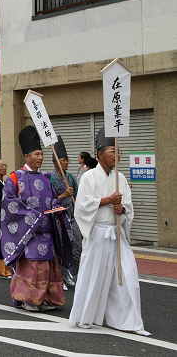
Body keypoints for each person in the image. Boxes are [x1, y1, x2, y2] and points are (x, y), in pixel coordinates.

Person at [69, 127, 150, 336]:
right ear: (100, 154)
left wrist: (121, 209)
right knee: (93, 276)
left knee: (127, 277)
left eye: (118, 151)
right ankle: (84, 317)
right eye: (112, 150)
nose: (117, 155)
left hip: (117, 233)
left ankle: (129, 322)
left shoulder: (120, 178)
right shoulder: (88, 177)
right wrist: (107, 201)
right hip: (97, 233)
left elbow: (128, 206)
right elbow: (82, 207)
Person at [0, 126, 74, 312]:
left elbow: (51, 201)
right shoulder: (15, 178)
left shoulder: (47, 177)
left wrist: (59, 204)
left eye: (41, 154)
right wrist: (31, 216)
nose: (41, 158)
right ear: (27, 156)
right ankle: (29, 299)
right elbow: (9, 203)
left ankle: (45, 298)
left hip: (46, 231)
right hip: (28, 233)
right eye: (37, 154)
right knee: (32, 267)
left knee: (48, 267)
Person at [50, 135, 82, 289]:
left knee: (76, 245)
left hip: (72, 216)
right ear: (56, 162)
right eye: (63, 160)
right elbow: (48, 199)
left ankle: (69, 272)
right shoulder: (50, 178)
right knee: (61, 247)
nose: (67, 162)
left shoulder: (70, 176)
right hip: (58, 218)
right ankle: (60, 276)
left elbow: (77, 196)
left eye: (67, 160)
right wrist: (63, 195)